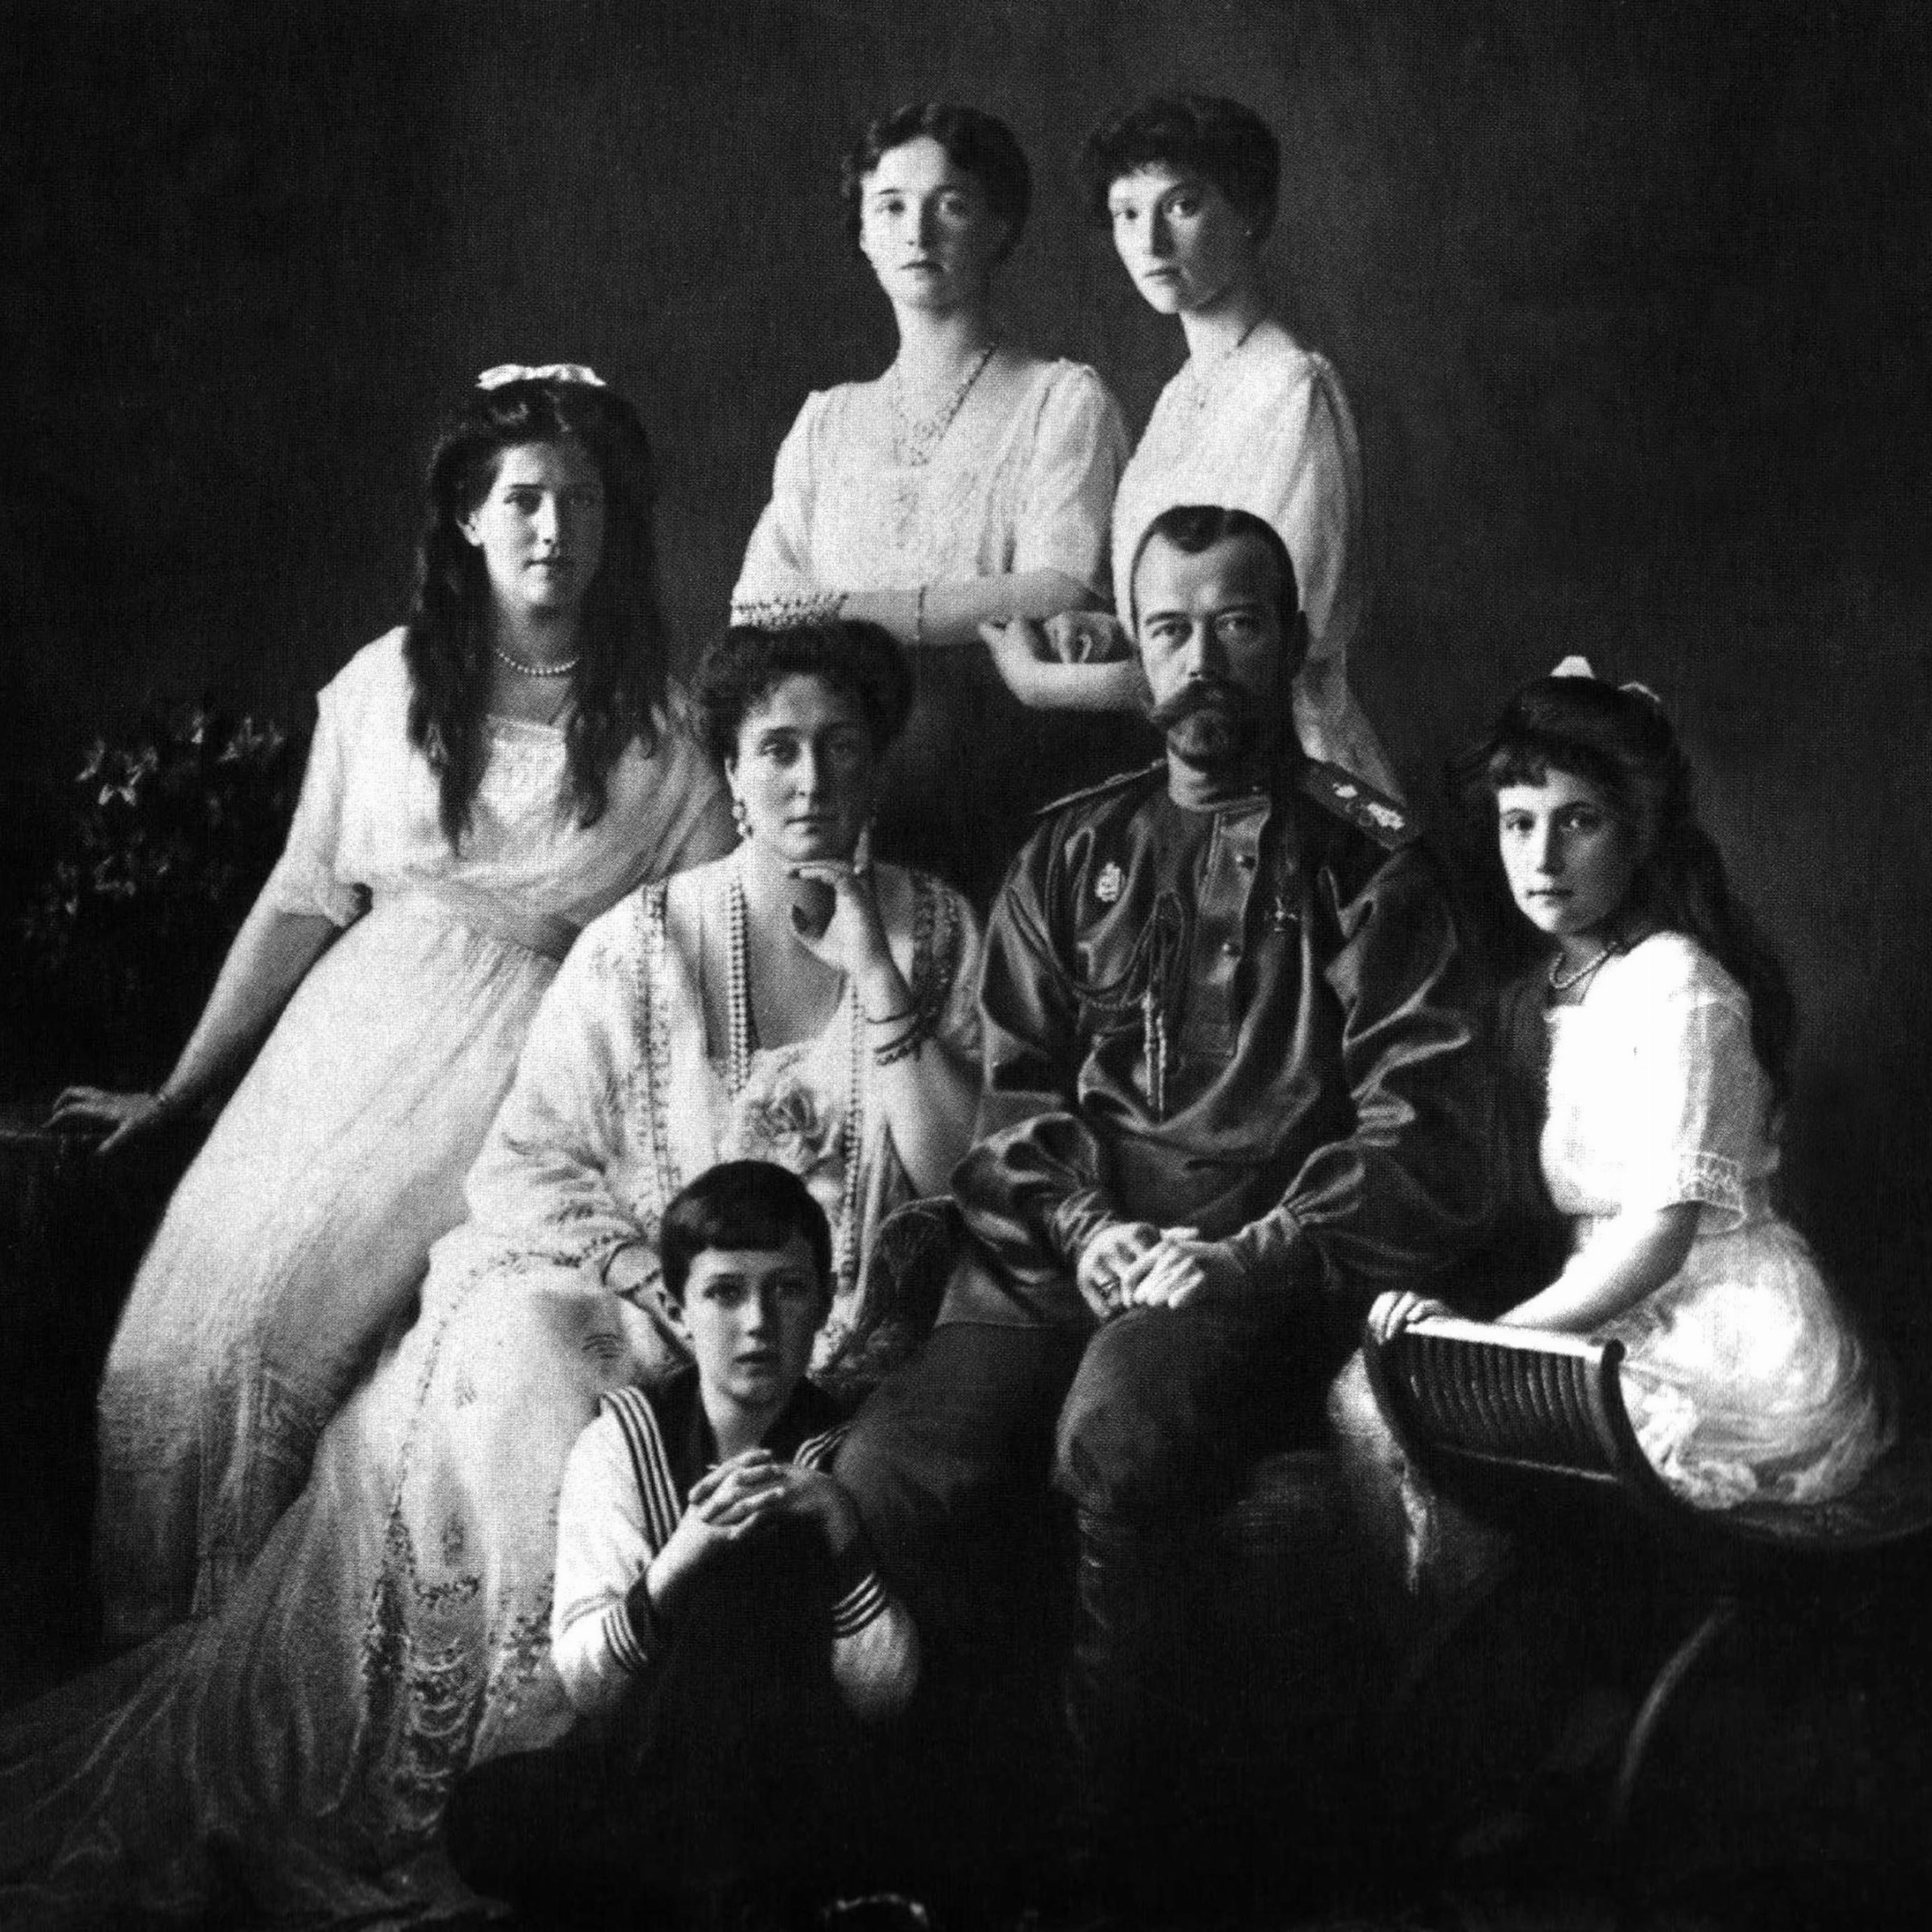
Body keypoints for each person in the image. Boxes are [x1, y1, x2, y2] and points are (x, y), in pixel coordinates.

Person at [0, 623, 980, 1925]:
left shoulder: (932, 927)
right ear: (734, 774)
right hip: (642, 1295)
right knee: (521, 1360)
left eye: (842, 750)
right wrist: (643, 1276)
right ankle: (509, 1772)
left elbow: (954, 1166)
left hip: (836, 1320)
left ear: (878, 767)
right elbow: (530, 1162)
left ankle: (664, 1818)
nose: (811, 782)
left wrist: (875, 974)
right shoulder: (640, 944)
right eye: (779, 751)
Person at [835, 504, 1491, 1905]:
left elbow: (1422, 1135)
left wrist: (1246, 1254)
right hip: (1060, 1256)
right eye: (1172, 631)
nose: (1203, 662)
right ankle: (920, 1861)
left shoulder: (1373, 864)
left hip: (1251, 1269)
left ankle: (1106, 1873)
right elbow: (1014, 1100)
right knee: (889, 1474)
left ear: (1292, 642)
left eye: (1238, 625)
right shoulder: (1070, 853)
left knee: (1119, 1429)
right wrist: (1088, 1228)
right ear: (1137, 651)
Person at [45, 365, 734, 1645]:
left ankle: (266, 1658)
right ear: (469, 516)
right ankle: (173, 1649)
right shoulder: (386, 686)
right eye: (524, 498)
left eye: (582, 500)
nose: (554, 529)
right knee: (177, 1339)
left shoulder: (665, 739)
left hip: (519, 1061)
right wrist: (184, 1089)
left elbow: (699, 960)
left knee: (283, 1344)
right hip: (343, 1037)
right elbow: (299, 899)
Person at [1368, 661, 1893, 1510]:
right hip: (1603, 1313)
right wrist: (1443, 1315)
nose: (1542, 857)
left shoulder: (1679, 987)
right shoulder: (1531, 997)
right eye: (1518, 823)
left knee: (1448, 1430)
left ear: (1639, 832)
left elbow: (1657, 1240)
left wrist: (1486, 1343)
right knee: (1384, 1406)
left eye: (1579, 821)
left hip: (1725, 1338)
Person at [446, 1160, 918, 1924]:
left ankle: (690, 1897)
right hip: (657, 1771)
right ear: (676, 1306)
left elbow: (886, 1699)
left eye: (787, 1289)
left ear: (827, 1301)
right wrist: (681, 1559)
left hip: (797, 1778)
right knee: (485, 1812)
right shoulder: (623, 1443)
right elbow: (590, 1685)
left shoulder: (852, 1450)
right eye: (725, 1292)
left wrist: (839, 1527)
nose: (758, 1323)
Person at [731, 101, 1133, 902]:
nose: (917, 232)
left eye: (950, 204)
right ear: (863, 233)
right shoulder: (827, 421)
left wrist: (846, 610)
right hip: (840, 790)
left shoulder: (1060, 401)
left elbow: (1059, 587)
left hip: (1011, 779)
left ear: (1000, 226)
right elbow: (758, 610)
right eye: (890, 207)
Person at [983, 92, 1399, 797]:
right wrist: (1113, 630)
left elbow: (1254, 658)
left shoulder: (1288, 389)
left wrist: (1043, 684)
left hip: (1283, 768)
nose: (1149, 243)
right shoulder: (1181, 396)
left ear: (1251, 212)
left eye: (1181, 206)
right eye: (1126, 214)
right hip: (1189, 761)